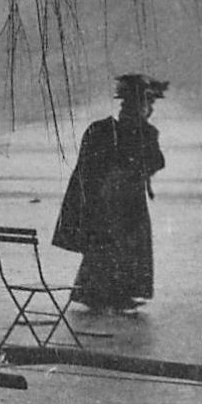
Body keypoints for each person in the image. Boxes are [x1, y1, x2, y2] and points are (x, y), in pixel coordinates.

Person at [52, 74, 168, 313]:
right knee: (113, 246)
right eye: (147, 104)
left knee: (119, 247)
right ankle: (105, 294)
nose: (149, 109)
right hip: (115, 202)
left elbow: (153, 161)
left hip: (122, 201)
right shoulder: (112, 131)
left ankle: (114, 293)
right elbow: (149, 161)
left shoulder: (129, 131)